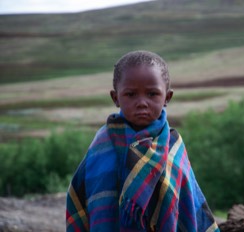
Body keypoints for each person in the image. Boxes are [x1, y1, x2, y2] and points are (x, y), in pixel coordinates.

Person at [66, 50, 219, 231]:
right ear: (115, 98)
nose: (141, 102)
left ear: (167, 98)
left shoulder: (172, 146)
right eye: (130, 94)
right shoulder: (102, 144)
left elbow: (187, 201)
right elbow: (86, 193)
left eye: (152, 94)